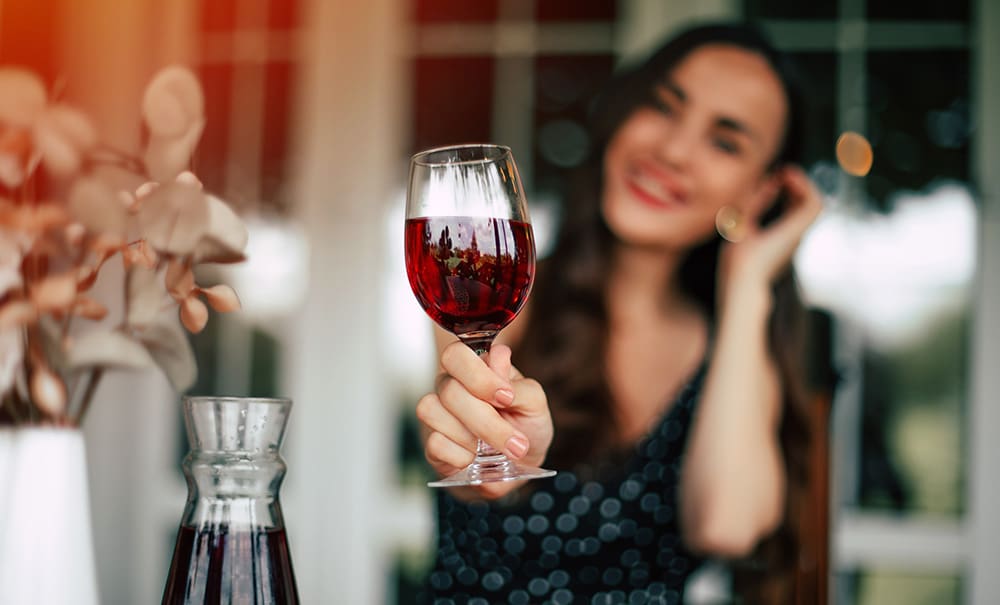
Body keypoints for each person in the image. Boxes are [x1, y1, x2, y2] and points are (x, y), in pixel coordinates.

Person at [414, 21, 823, 605]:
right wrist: (485, 472)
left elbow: (727, 526)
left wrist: (749, 283)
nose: (673, 150)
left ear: (758, 193)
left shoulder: (732, 350)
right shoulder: (501, 290)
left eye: (725, 142)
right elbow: (473, 473)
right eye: (663, 106)